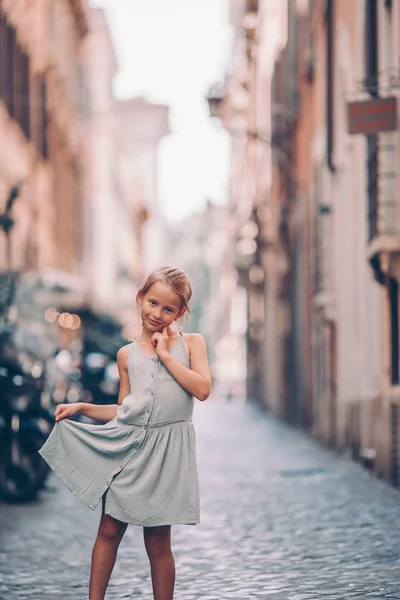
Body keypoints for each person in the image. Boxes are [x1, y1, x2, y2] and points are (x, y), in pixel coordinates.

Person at [39, 266, 211, 600]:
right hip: (131, 450)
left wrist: (164, 355)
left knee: (158, 541)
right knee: (108, 529)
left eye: (168, 308)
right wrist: (82, 409)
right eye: (152, 302)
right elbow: (128, 411)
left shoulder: (192, 344)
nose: (157, 313)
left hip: (167, 454)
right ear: (140, 298)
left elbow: (202, 389)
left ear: (181, 312)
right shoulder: (125, 354)